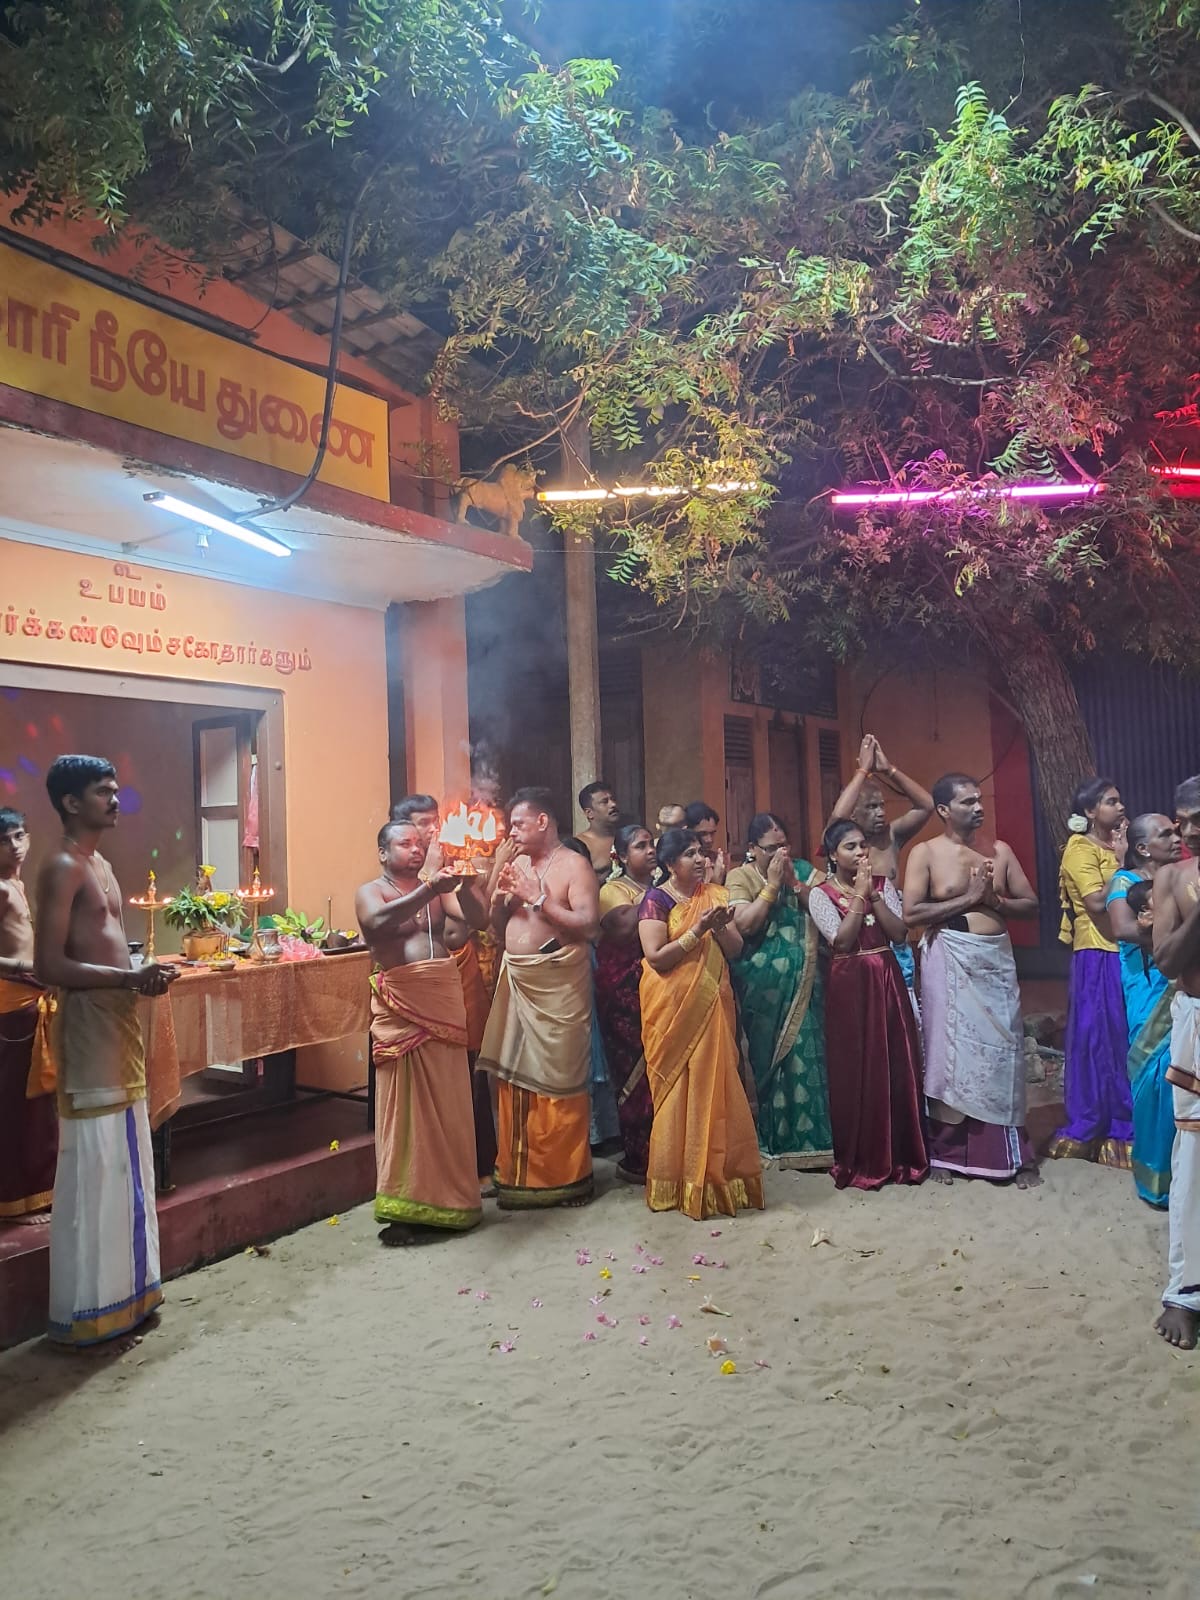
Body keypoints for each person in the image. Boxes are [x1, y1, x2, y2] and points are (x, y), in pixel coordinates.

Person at [35, 755, 177, 1348]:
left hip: (118, 1020)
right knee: (98, 1159)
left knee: (128, 1153)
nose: (115, 800)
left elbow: (110, 948)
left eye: (116, 790)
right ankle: (91, 1308)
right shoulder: (63, 866)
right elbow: (49, 965)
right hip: (89, 1024)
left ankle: (132, 1294)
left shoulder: (103, 864)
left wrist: (141, 976)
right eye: (102, 792)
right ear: (71, 803)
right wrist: (126, 979)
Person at [903, 775, 1040, 1187]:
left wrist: (995, 901)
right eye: (967, 802)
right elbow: (911, 914)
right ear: (944, 810)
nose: (978, 807)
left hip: (994, 961)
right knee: (947, 1055)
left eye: (979, 800)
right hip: (949, 960)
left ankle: (1012, 1155)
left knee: (1003, 1051)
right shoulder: (926, 853)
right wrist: (969, 898)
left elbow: (1030, 904)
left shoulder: (1000, 851)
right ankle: (945, 1153)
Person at [356, 819, 486, 1242]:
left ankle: (453, 1199)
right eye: (404, 844)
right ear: (383, 852)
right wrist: (429, 889)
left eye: (419, 843)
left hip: (442, 998)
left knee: (449, 1103)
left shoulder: (438, 891)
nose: (416, 849)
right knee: (406, 1109)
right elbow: (377, 922)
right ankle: (405, 1206)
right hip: (403, 1004)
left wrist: (466, 886)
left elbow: (479, 920)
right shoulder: (371, 891)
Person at [480, 788, 600, 1208]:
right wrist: (502, 900)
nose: (511, 832)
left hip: (558, 985)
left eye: (518, 824)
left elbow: (589, 925)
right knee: (511, 1078)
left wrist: (539, 899)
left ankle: (566, 1179)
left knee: (558, 1081)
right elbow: (493, 924)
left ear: (543, 821)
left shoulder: (574, 865)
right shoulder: (515, 865)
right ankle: (516, 1174)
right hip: (517, 979)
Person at [638, 828, 763, 1218]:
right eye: (689, 853)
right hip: (671, 1009)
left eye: (701, 852)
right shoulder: (655, 900)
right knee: (678, 1090)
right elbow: (656, 957)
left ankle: (719, 1177)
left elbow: (736, 950)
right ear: (669, 863)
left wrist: (719, 926)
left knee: (717, 1084)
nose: (699, 859)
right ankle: (677, 1180)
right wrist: (698, 930)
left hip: (712, 1003)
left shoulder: (715, 896)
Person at [809, 819, 927, 1190]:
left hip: (886, 980)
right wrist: (859, 897)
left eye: (863, 845)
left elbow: (899, 933)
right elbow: (842, 942)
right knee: (857, 1067)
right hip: (850, 985)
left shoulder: (882, 885)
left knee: (895, 1061)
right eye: (850, 847)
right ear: (833, 855)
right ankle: (862, 1159)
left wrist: (873, 896)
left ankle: (904, 1156)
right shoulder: (820, 894)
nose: (860, 852)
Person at [726, 813, 833, 1170]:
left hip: (806, 983)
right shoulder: (740, 877)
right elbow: (744, 925)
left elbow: (828, 911)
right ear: (752, 848)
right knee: (770, 1060)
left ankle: (817, 1144)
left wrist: (794, 884)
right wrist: (772, 887)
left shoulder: (802, 871)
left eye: (784, 846)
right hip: (764, 989)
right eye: (771, 848)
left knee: (809, 1053)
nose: (780, 854)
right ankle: (777, 1142)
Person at [1048, 777, 1133, 1167]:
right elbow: (1097, 902)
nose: (1120, 807)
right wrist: (1122, 863)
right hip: (1097, 953)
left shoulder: (1114, 846)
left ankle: (1127, 1118)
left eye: (1119, 801)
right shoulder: (1079, 849)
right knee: (1101, 1037)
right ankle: (1104, 1124)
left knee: (1124, 1037)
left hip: (1124, 949)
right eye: (1110, 801)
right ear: (1089, 812)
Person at [1106, 814, 1182, 1208]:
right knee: (1154, 1075)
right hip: (1147, 985)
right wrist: (1177, 934)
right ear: (1142, 848)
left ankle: (1184, 1174)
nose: (1176, 837)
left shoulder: (1179, 877)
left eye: (1176, 831)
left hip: (1179, 980)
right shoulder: (1125, 882)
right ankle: (1156, 1180)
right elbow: (1122, 929)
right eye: (1165, 833)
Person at [1150, 775, 1200, 1350]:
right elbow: (1165, 959)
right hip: (1197, 1021)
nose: (1188, 830)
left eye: (1198, 818)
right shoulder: (1172, 878)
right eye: (1183, 820)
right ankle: (1185, 1293)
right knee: (1194, 1157)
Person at [830, 734, 934, 993]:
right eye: (871, 807)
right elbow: (838, 816)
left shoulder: (891, 836)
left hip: (894, 940)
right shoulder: (840, 842)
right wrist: (863, 771)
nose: (881, 813)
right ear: (854, 813)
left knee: (902, 1006)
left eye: (881, 806)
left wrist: (889, 770)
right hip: (857, 945)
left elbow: (926, 805)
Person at [0, 808, 57, 1223]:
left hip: (31, 1001)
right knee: (14, 1107)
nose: (14, 846)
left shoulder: (18, 884)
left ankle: (36, 1192)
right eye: (4, 841)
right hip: (11, 1008)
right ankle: (13, 1203)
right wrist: (26, 968)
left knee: (36, 1106)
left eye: (19, 836)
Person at [594, 824, 656, 1182]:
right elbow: (621, 928)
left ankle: (670, 1150)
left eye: (652, 844)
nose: (650, 850)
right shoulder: (611, 889)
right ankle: (640, 1156)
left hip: (662, 985)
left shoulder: (660, 886)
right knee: (634, 1072)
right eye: (640, 846)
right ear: (620, 856)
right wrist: (660, 895)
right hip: (623, 992)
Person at [574, 782, 622, 878]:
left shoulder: (628, 838)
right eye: (604, 802)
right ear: (589, 813)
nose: (613, 804)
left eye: (613, 799)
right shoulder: (578, 846)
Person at [684, 801, 727, 886]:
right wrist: (714, 882)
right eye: (703, 834)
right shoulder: (679, 863)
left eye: (712, 833)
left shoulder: (717, 860)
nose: (709, 840)